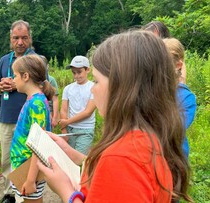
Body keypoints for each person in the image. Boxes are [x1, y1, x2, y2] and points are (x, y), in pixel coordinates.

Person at [37, 31, 192, 203]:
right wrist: (72, 154)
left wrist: (66, 192)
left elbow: (118, 168)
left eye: (96, 81)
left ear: (122, 87)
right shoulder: (146, 137)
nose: (92, 89)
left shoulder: (121, 159)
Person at [0, 20, 35, 202]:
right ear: (10, 39)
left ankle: (28, 192)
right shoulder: (4, 60)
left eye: (24, 38)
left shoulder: (36, 60)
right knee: (7, 159)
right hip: (7, 118)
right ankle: (9, 195)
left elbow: (44, 87)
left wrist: (17, 85)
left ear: (30, 38)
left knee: (27, 158)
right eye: (16, 38)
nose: (20, 42)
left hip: (29, 119)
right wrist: (1, 86)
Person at [10, 54, 54, 202]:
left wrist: (30, 180)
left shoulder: (37, 104)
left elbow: (38, 144)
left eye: (15, 75)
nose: (13, 79)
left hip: (29, 169)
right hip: (22, 166)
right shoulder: (32, 100)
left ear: (26, 76)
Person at [163, 38, 197, 159]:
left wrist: (181, 84)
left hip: (174, 159)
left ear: (178, 65)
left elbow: (174, 129)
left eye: (163, 63)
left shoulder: (186, 98)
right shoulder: (153, 90)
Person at [59, 56, 96, 155]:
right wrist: (64, 130)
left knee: (79, 157)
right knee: (69, 157)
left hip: (85, 129)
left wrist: (66, 122)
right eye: (74, 72)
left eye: (79, 72)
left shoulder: (93, 88)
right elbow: (63, 110)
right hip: (70, 128)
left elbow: (88, 112)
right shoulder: (68, 89)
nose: (76, 76)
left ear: (87, 70)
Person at [39, 55, 59, 129]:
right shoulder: (32, 80)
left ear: (47, 66)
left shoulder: (51, 80)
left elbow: (55, 99)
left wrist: (55, 117)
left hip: (49, 111)